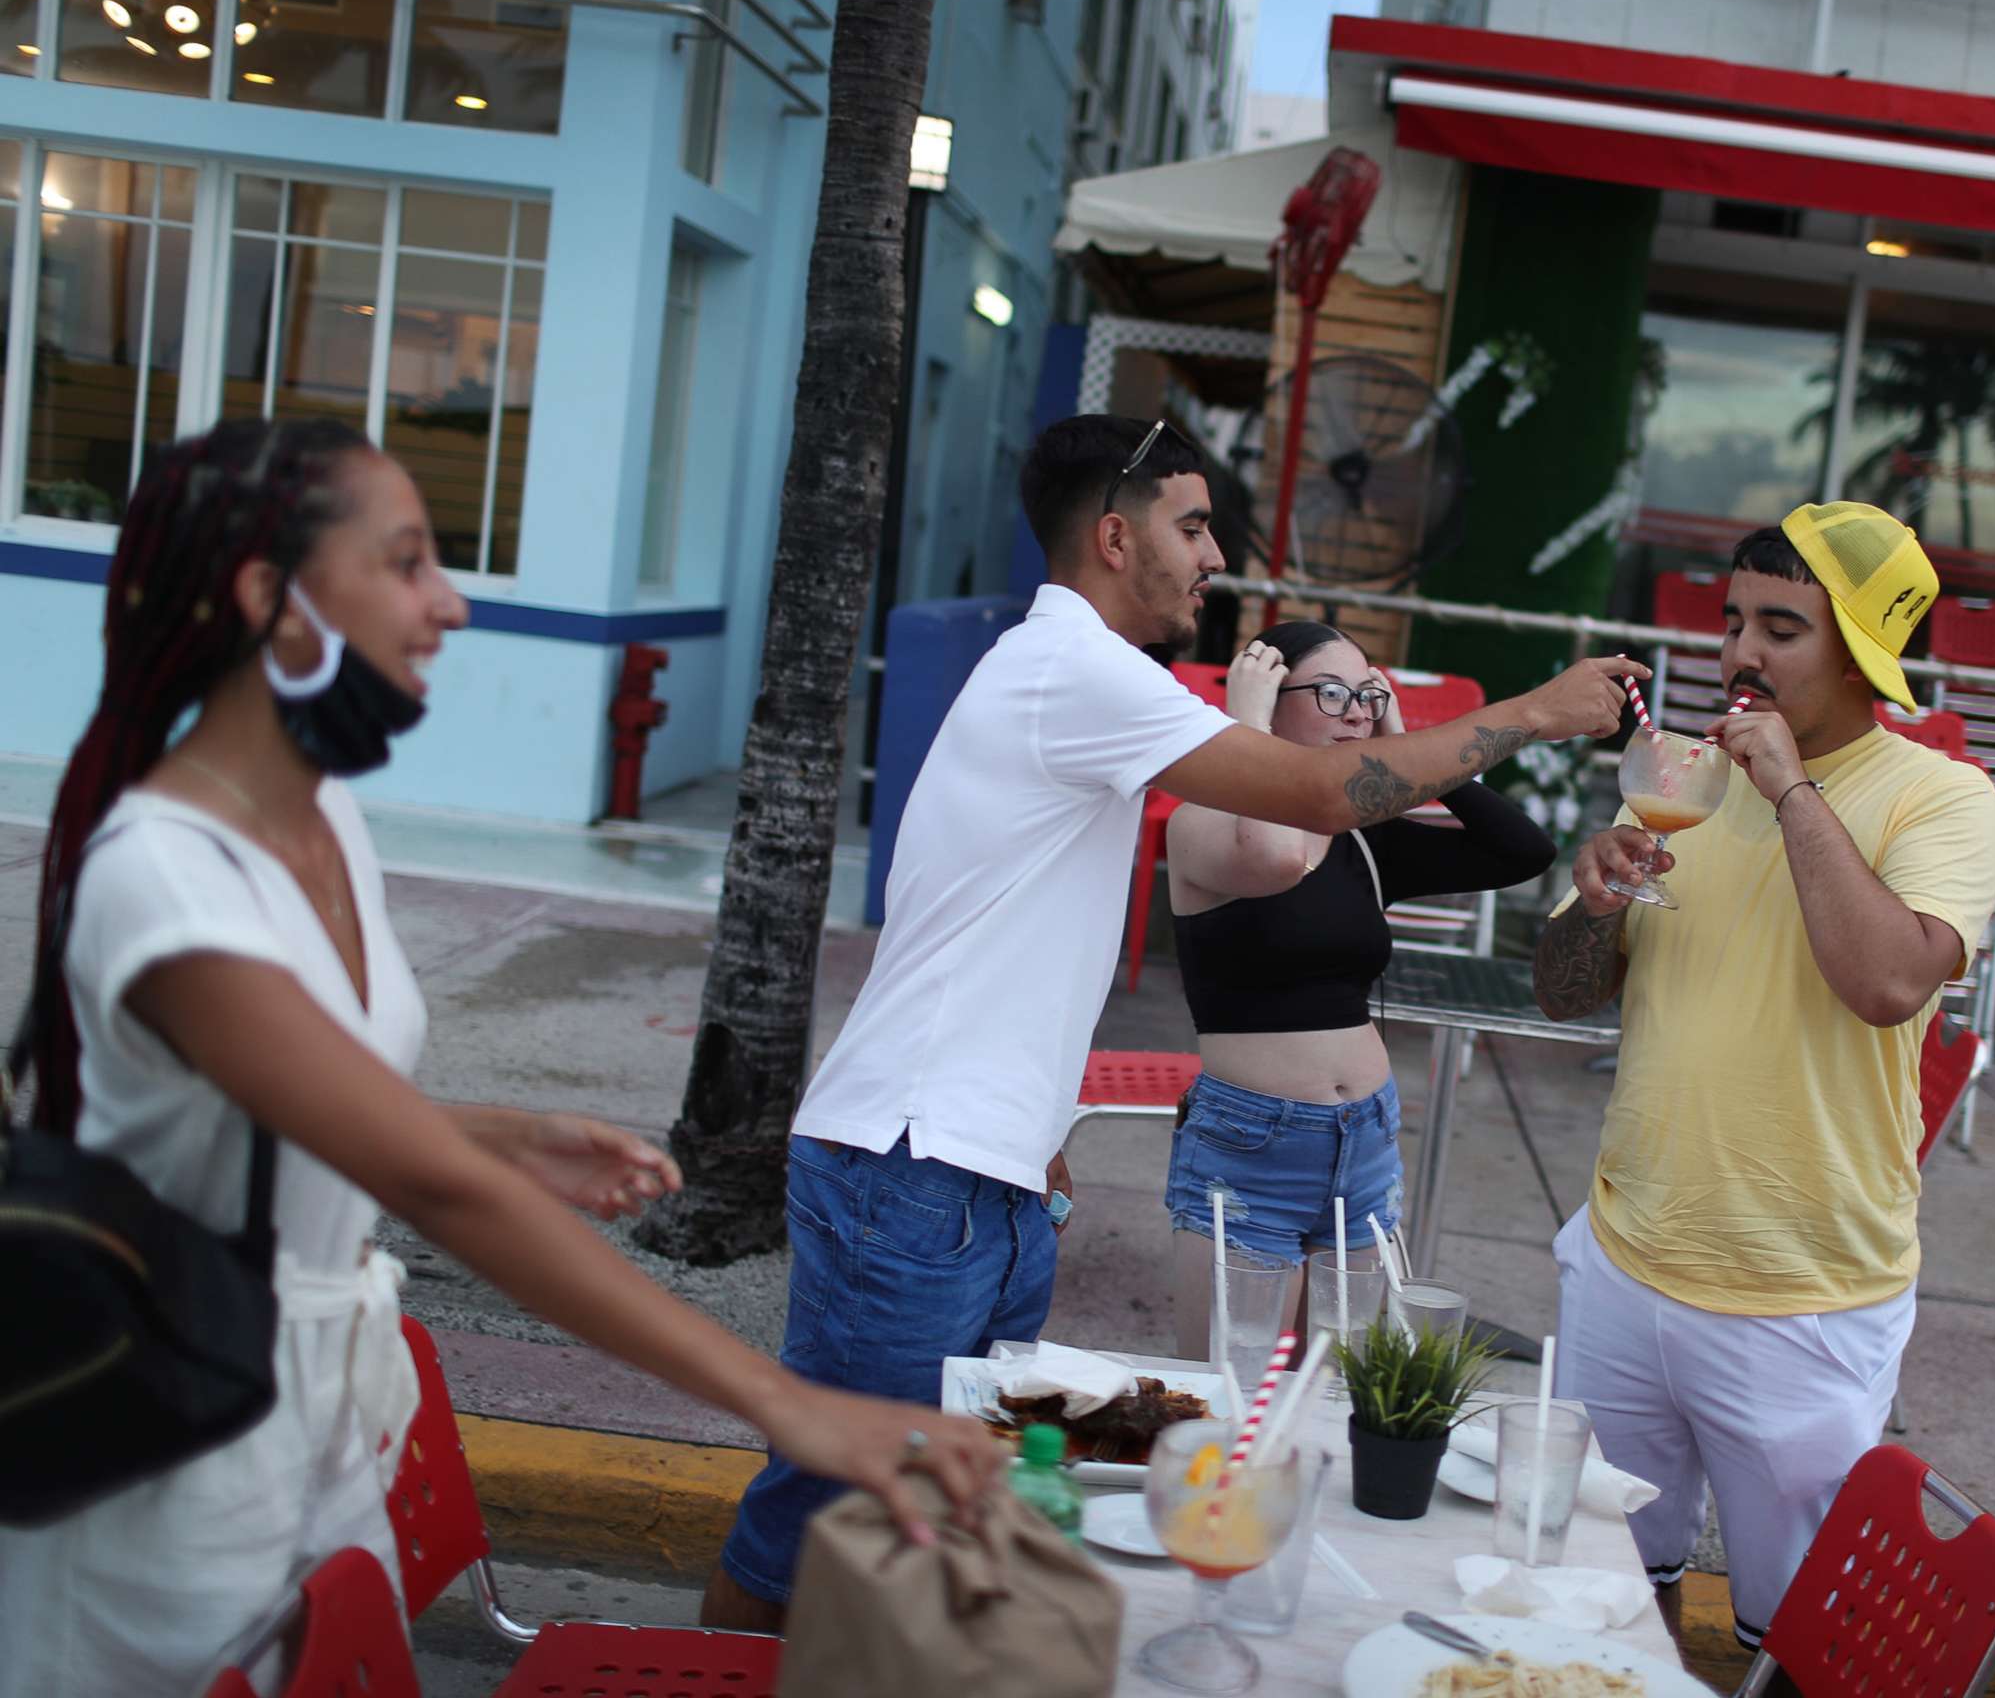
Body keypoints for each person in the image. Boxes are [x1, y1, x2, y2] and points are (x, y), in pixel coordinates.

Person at [0, 419, 1005, 1698]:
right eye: (408, 563)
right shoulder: (163, 877)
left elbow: (314, 1105)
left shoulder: (321, 814)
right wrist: (788, 1404)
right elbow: (434, 1194)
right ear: (273, 600)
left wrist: (494, 1133)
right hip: (174, 1464)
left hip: (320, 1426)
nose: (453, 605)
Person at [703, 414, 1645, 1630]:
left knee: (938, 1507)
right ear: (1112, 537)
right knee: (819, 1513)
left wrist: (1034, 1135)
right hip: (910, 1169)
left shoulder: (1084, 680)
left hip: (980, 1171)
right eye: (1193, 526)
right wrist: (1538, 711)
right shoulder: (1072, 669)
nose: (1215, 557)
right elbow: (1315, 792)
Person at [1530, 502, 1995, 1648]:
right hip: (1625, 1258)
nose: (1739, 653)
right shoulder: (1686, 776)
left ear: (1859, 652)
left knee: (1790, 1637)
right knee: (1598, 1593)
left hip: (1803, 1301)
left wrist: (1795, 790)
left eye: (1782, 628)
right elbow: (1560, 989)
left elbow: (1891, 982)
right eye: (1734, 620)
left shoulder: (1944, 798)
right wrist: (1591, 903)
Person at [1163, 619, 1558, 1357]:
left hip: (1366, 1143)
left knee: (1343, 1395)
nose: (1357, 711)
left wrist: (1411, 751)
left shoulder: (1364, 837)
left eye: (1369, 697)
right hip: (1252, 1147)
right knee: (1227, 1397)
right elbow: (1278, 857)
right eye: (1334, 692)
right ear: (1271, 696)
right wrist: (1242, 730)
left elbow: (1523, 852)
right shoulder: (1202, 824)